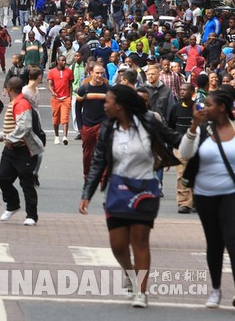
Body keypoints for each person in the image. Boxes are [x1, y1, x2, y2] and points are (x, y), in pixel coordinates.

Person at [80, 84, 181, 309]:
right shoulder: (108, 128)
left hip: (145, 189)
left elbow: (175, 139)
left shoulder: (148, 122)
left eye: (108, 101)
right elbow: (98, 162)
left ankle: (141, 291)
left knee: (140, 241)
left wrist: (197, 137)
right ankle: (128, 271)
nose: (104, 105)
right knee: (118, 245)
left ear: (120, 105)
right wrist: (87, 192)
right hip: (117, 188)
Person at [179, 86, 235, 308]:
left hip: (231, 193)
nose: (204, 108)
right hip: (204, 194)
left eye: (209, 105)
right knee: (214, 242)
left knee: (232, 240)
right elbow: (184, 153)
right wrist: (193, 125)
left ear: (221, 108)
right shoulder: (202, 129)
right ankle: (215, 289)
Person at [0, 77, 43, 225]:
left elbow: (24, 127)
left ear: (9, 89)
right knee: (3, 178)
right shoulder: (15, 102)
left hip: (24, 150)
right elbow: (13, 127)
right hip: (11, 149)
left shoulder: (21, 103)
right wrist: (1, 136)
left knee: (26, 183)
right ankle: (12, 205)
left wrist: (8, 139)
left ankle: (31, 216)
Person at [76, 63, 108, 179]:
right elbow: (78, 108)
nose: (100, 75)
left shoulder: (108, 89)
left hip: (103, 125)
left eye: (101, 73)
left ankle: (103, 177)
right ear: (91, 73)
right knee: (88, 153)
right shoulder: (84, 89)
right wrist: (80, 126)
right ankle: (87, 174)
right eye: (97, 73)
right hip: (88, 125)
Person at [167, 83, 195, 214]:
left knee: (196, 174)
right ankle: (184, 203)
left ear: (192, 92)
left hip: (196, 147)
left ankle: (195, 201)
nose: (182, 92)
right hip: (180, 148)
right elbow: (170, 127)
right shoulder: (175, 108)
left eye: (185, 90)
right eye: (181, 90)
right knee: (181, 175)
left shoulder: (198, 108)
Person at [47, 55, 74, 146]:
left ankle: (65, 137)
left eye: (64, 60)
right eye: (62, 60)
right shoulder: (52, 72)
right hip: (55, 98)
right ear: (58, 61)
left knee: (65, 117)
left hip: (65, 98)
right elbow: (50, 84)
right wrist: (52, 92)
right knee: (55, 118)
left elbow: (70, 85)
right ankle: (56, 136)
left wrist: (70, 96)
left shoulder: (69, 72)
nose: (63, 62)